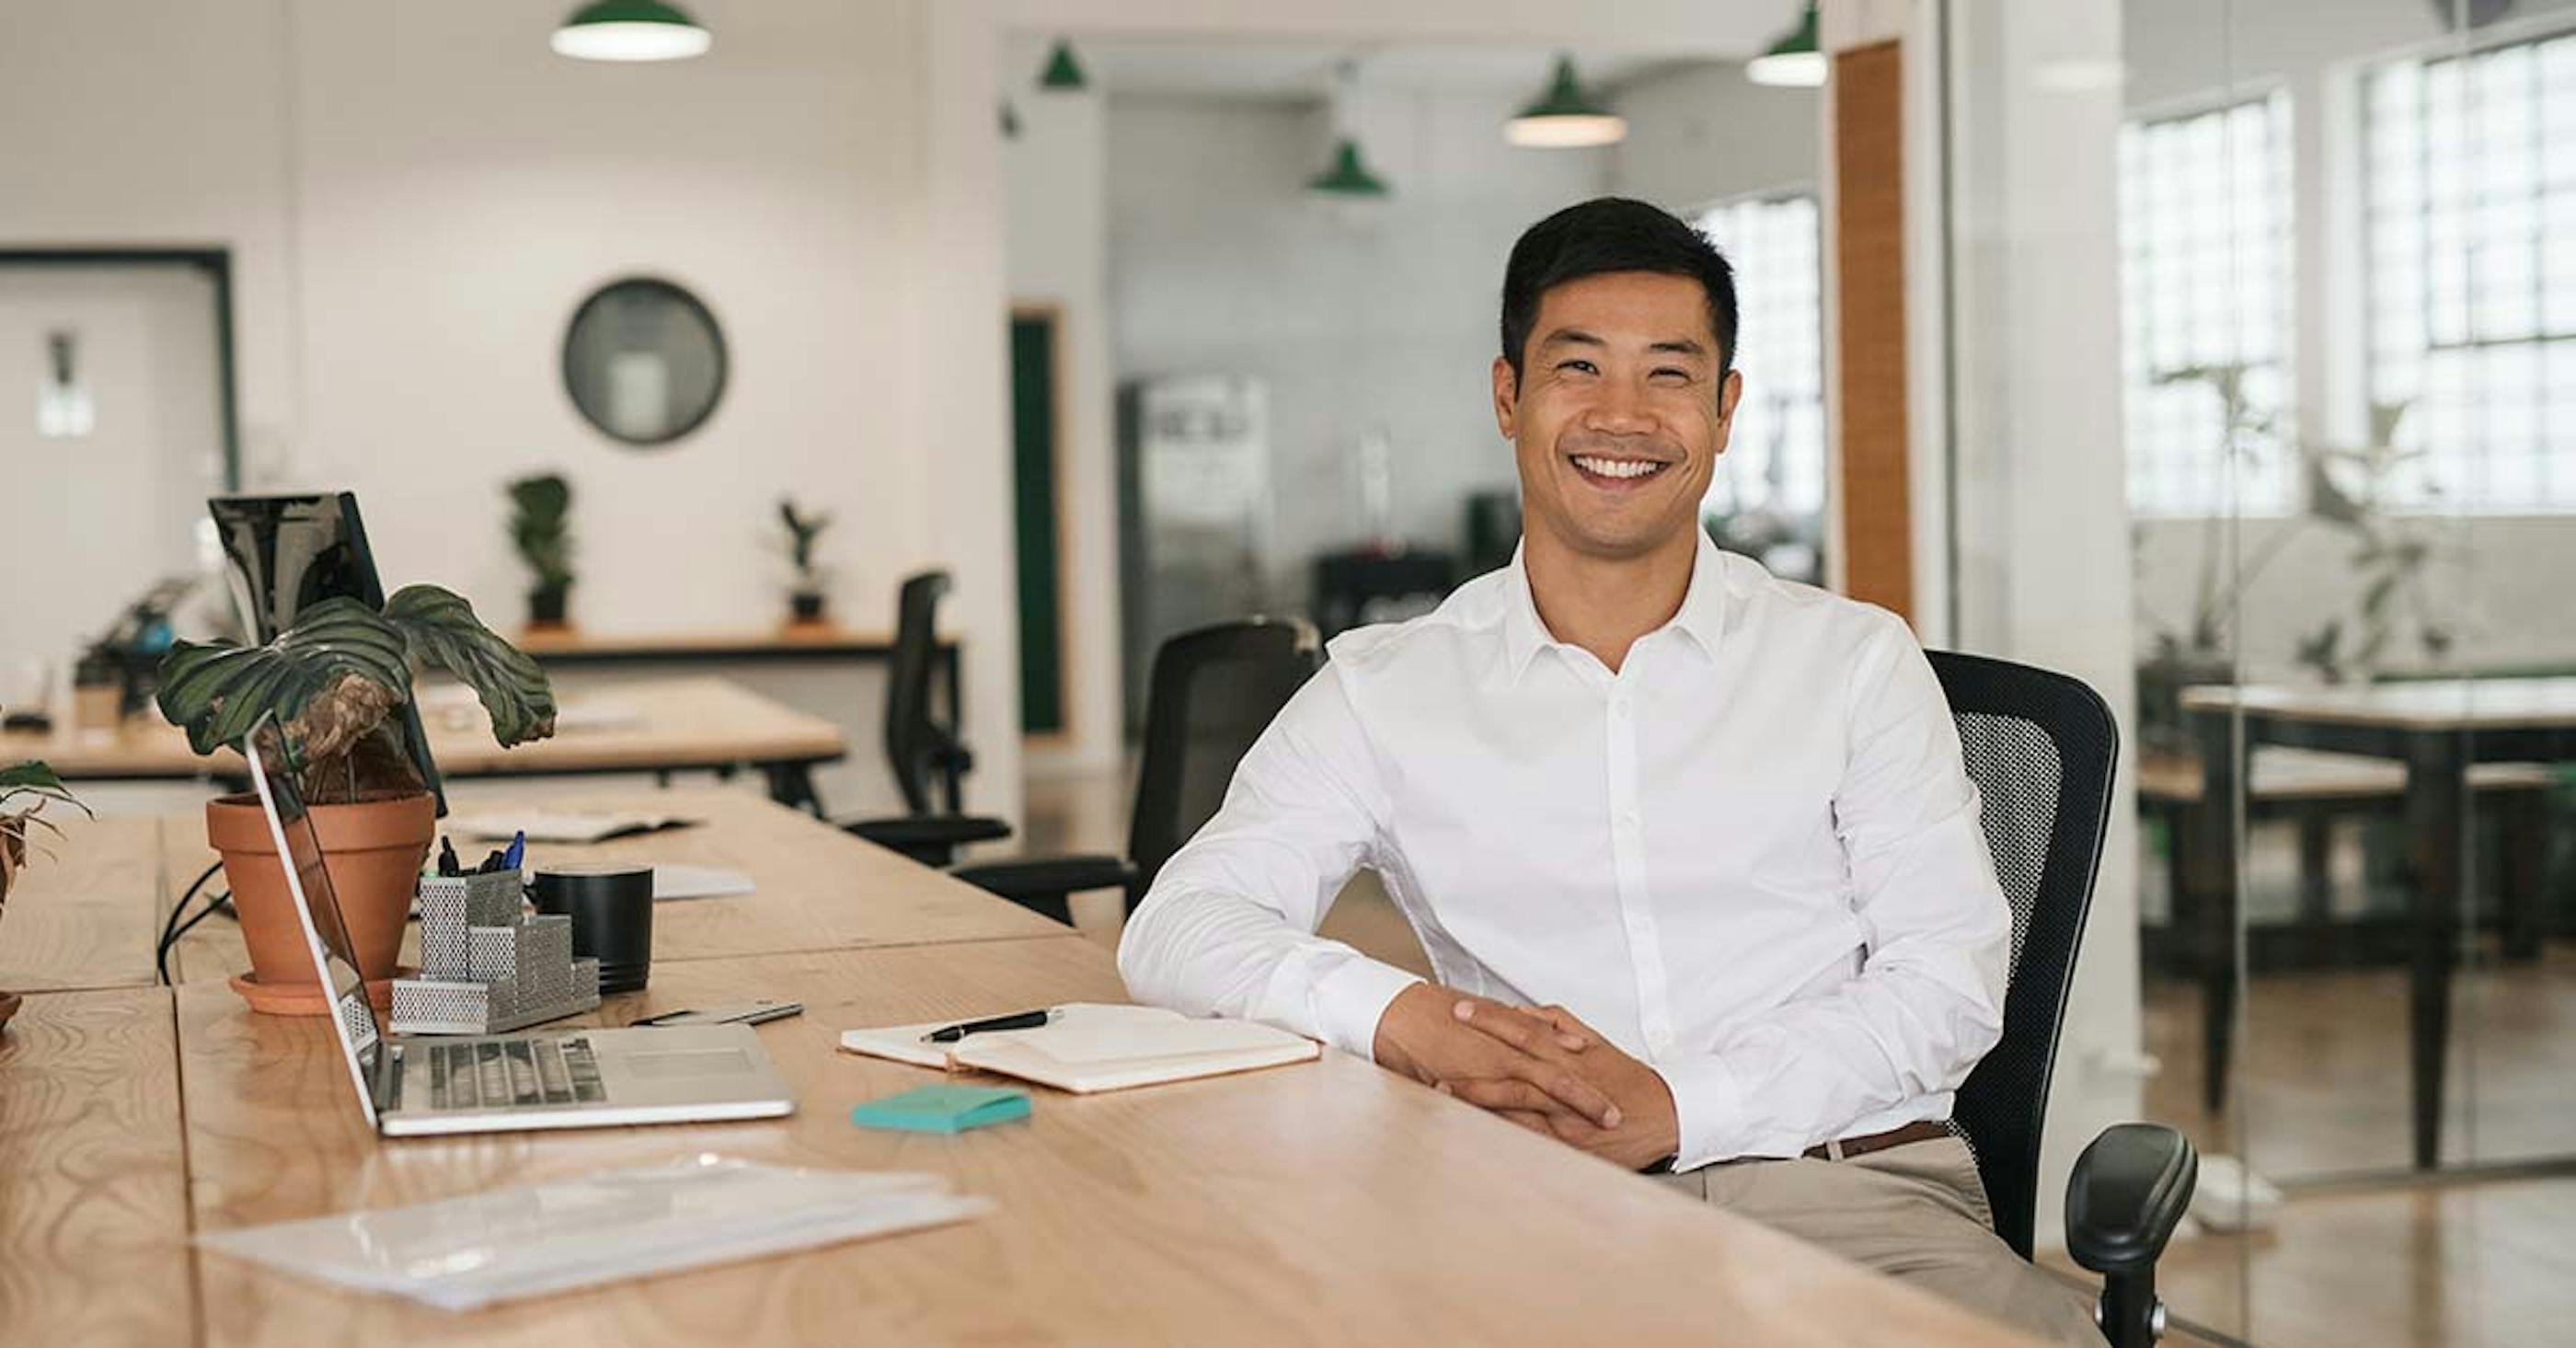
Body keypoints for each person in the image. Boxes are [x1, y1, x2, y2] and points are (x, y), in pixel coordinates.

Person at [1117, 196, 2099, 1344]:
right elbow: (1178, 925)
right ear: (1507, 397)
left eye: (1669, 375)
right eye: (1577, 366)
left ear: (1724, 410)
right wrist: (1404, 1016)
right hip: (1528, 1201)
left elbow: (1945, 983)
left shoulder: (1851, 661)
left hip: (1840, 1192)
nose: (1621, 416)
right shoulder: (1387, 686)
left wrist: (1677, 1106)